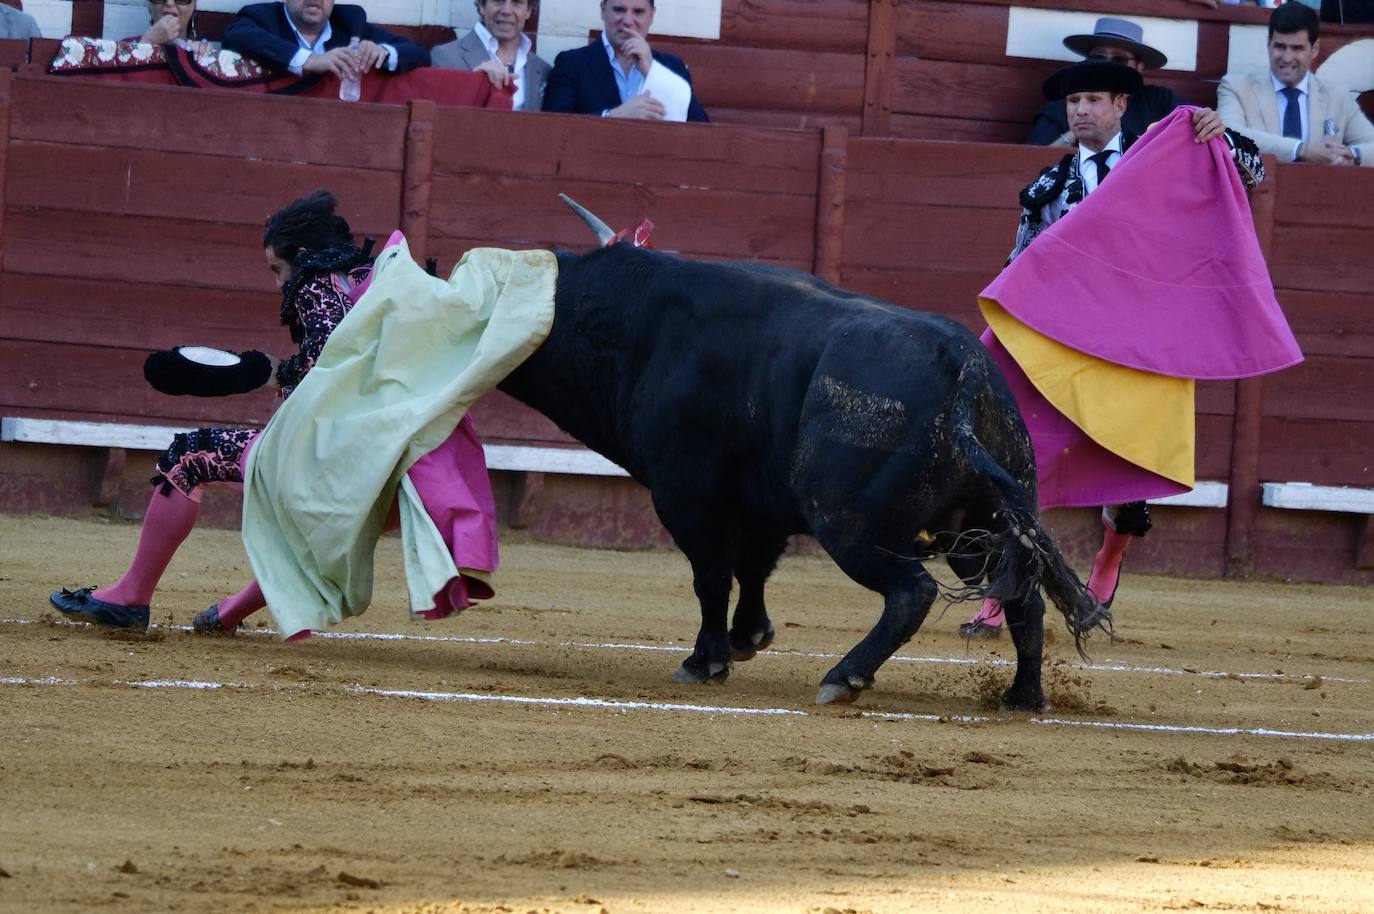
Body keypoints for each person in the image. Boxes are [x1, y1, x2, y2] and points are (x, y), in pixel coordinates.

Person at [49, 191, 497, 635]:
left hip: (340, 455)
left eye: (277, 269)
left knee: (189, 457)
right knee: (308, 529)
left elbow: (328, 360)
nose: (279, 282)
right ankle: (227, 613)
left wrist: (268, 372)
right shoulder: (386, 278)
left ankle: (131, 596)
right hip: (404, 467)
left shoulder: (315, 281)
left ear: (301, 256)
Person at [960, 60, 1270, 639]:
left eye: (1094, 100)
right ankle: (1000, 591)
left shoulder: (1160, 156)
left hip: (1137, 342)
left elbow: (1250, 173)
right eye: (1074, 101)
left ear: (1122, 105)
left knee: (1129, 471)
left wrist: (1219, 131)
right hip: (1065, 343)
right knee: (1026, 463)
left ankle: (1109, 556)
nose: (1081, 111)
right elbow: (1019, 268)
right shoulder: (1046, 190)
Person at [1217, 4, 1373, 167]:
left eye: (1297, 48)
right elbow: (1228, 135)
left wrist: (1353, 155)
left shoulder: (1338, 96)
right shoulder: (1236, 87)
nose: (1287, 57)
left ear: (1314, 49)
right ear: (1268, 44)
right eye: (1280, 46)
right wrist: (1300, 150)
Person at [1025, 18, 1189, 147]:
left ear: (1139, 66)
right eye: (1098, 57)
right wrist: (1076, 131)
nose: (1107, 65)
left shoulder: (1158, 100)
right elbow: (1030, 160)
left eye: (1119, 59)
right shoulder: (1064, 103)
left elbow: (1196, 124)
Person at [543, 0, 708, 122]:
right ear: (603, 10)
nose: (628, 20)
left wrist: (652, 71)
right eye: (619, 9)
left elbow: (701, 129)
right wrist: (614, 115)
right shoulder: (571, 64)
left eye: (638, 12)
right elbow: (554, 128)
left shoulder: (672, 67)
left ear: (652, 15)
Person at [223, 0, 429, 80]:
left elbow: (419, 52)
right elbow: (236, 35)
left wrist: (383, 52)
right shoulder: (262, 16)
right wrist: (310, 60)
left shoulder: (350, 23)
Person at [431, 0, 550, 112]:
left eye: (516, 2)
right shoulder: (445, 57)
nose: (506, 11)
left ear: (528, 11)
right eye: (498, 0)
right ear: (482, 6)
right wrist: (473, 81)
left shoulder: (542, 69)